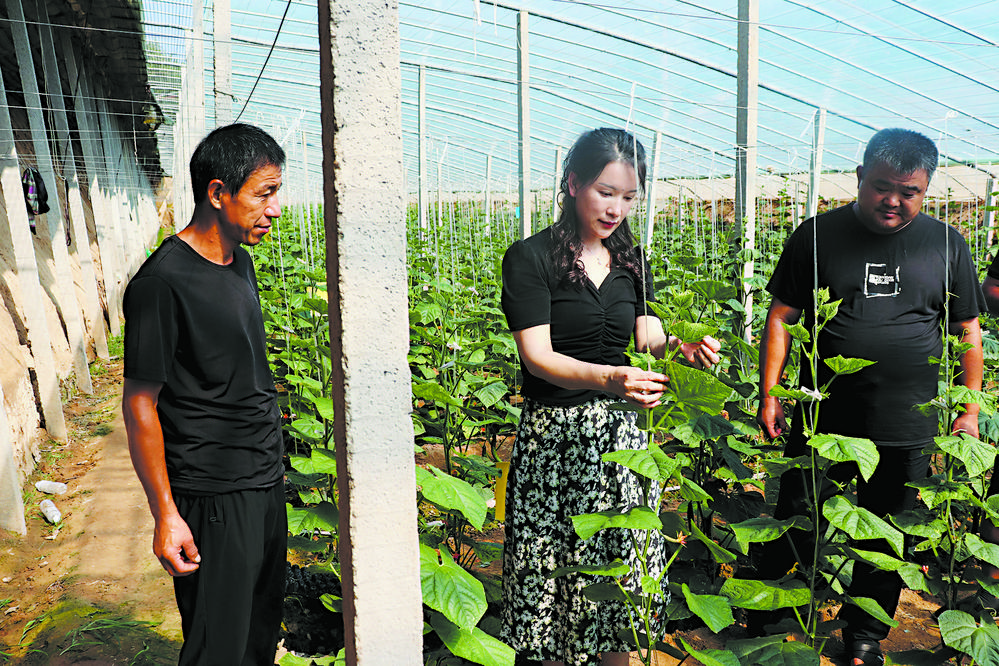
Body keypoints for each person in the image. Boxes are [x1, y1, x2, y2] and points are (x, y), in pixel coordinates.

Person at [755, 128, 985, 666]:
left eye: (910, 191)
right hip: (822, 416)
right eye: (883, 186)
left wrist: (969, 409)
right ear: (859, 178)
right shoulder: (816, 236)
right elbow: (782, 317)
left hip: (907, 422)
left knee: (886, 531)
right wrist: (770, 393)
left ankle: (864, 636)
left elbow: (968, 330)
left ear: (926, 189)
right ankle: (768, 610)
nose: (894, 200)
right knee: (797, 511)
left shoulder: (946, 244)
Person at [499, 127, 722, 666]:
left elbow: (642, 332)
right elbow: (538, 356)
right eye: (605, 192)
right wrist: (608, 378)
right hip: (557, 438)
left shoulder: (630, 261)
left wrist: (682, 347)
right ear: (573, 183)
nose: (616, 208)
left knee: (619, 575)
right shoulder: (532, 258)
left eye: (628, 197)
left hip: (622, 440)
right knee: (553, 576)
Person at [122, 123, 287, 665]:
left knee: (258, 638)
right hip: (213, 492)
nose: (275, 209)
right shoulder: (162, 283)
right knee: (218, 647)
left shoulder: (239, 261)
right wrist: (166, 514)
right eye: (263, 194)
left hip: (262, 480)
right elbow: (140, 403)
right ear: (217, 193)